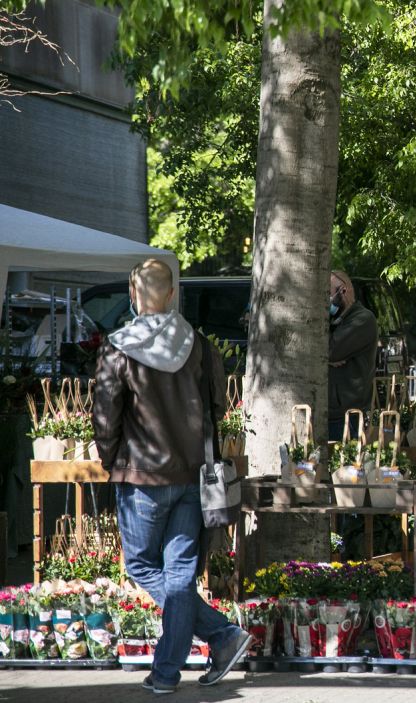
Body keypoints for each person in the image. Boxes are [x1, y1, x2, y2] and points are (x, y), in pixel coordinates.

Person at [92, 259, 253, 694]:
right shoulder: (200, 345)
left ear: (132, 292)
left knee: (143, 567)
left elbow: (105, 417)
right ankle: (183, 661)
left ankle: (214, 641)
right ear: (173, 294)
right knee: (179, 576)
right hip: (192, 478)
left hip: (140, 478)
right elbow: (219, 408)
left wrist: (112, 461)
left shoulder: (118, 347)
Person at [328, 270, 378, 440]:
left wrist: (327, 358)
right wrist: (326, 362)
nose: (326, 301)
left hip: (348, 415)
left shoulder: (362, 319)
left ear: (343, 291)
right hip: (331, 413)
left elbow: (331, 350)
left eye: (329, 294)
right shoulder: (334, 322)